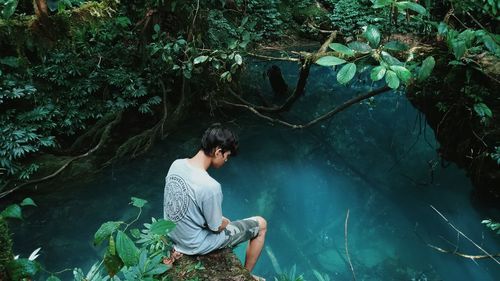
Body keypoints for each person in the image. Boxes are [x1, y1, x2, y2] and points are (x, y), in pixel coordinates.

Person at [163, 124, 267, 279]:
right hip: (194, 244)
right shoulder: (210, 186)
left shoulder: (176, 164)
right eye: (227, 156)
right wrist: (224, 222)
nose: (226, 160)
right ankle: (247, 274)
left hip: (173, 235)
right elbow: (215, 227)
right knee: (261, 224)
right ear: (218, 152)